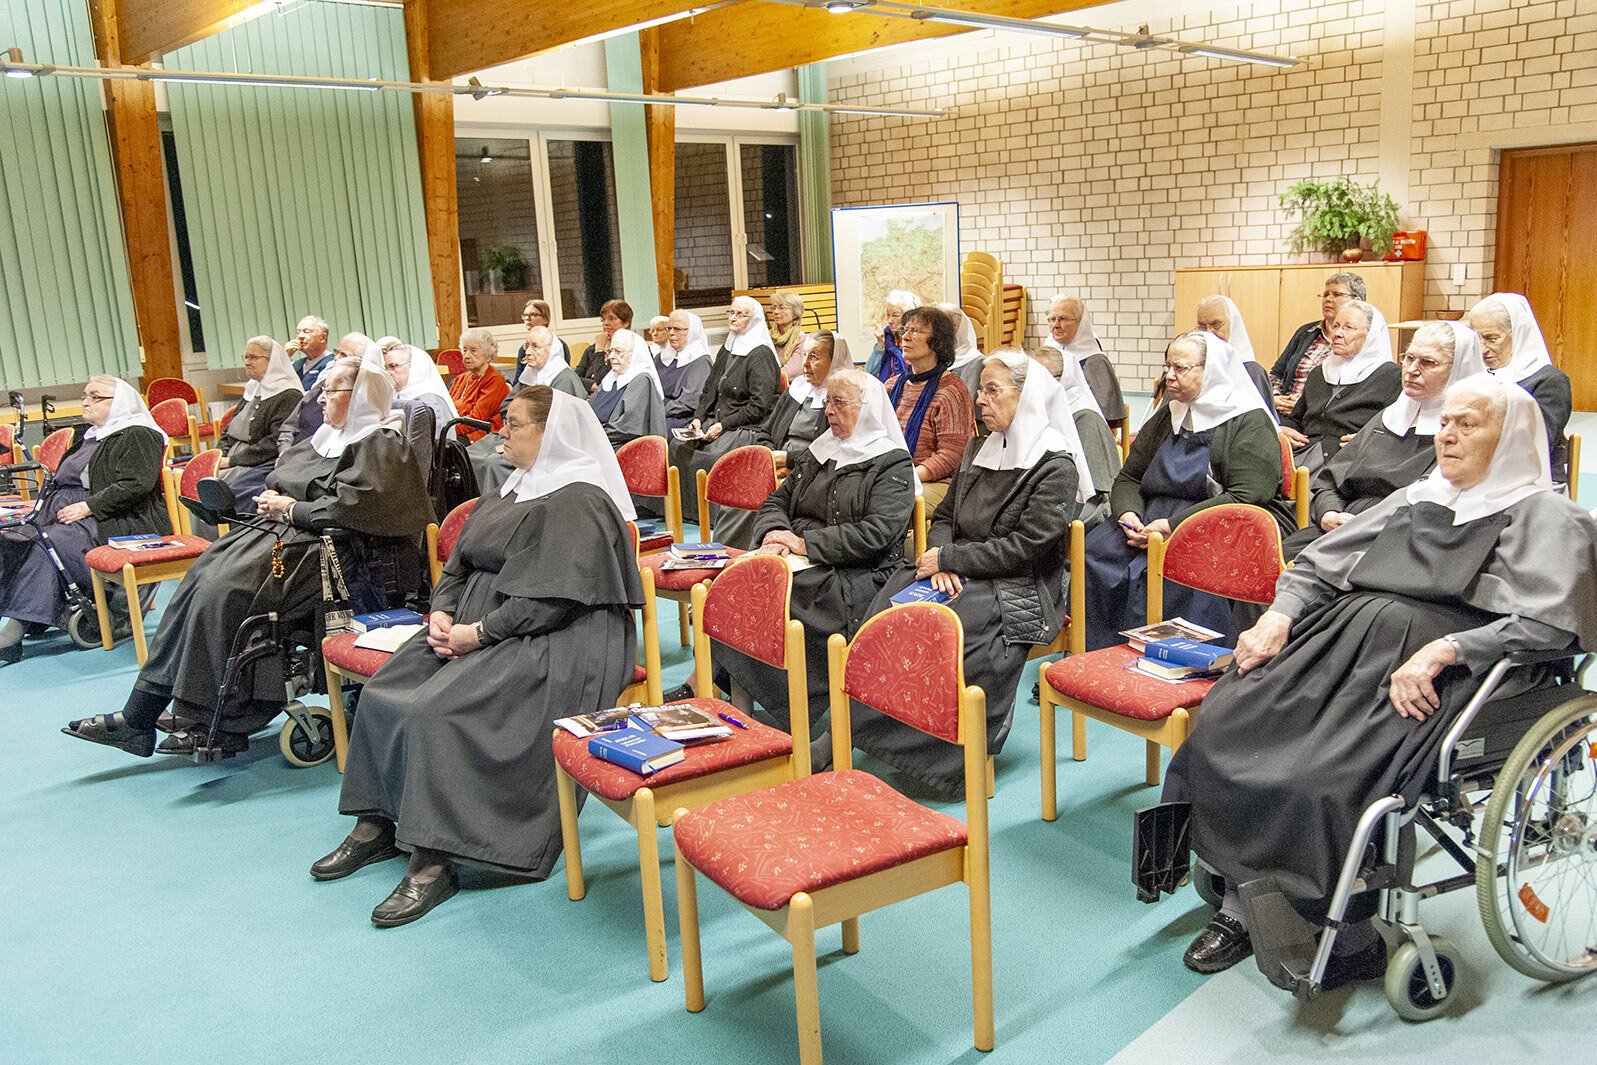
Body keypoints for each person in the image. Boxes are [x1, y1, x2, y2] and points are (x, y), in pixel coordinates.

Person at [1160, 374, 1597, 982]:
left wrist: (1449, 647)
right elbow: (1318, 564)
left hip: (1447, 670)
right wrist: (1278, 619)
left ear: (1512, 437)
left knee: (1323, 775)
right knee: (1226, 725)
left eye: (1467, 423)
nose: (1446, 433)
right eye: (1445, 420)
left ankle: (1348, 934)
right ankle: (1242, 899)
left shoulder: (1547, 515)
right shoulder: (1422, 494)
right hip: (1341, 645)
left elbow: (1552, 627)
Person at [314, 386, 643, 926]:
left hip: (560, 639)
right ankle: (377, 825)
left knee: (436, 711)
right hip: (478, 625)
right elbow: (459, 563)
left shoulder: (580, 497)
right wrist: (441, 614)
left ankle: (434, 860)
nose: (500, 434)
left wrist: (479, 633)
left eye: (512, 424)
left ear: (550, 432)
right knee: (382, 694)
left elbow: (553, 600)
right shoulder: (513, 487)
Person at [62, 359, 432, 759]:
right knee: (195, 585)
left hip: (336, 551)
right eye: (322, 390)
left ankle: (210, 718)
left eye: (331, 391)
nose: (320, 399)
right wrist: (276, 502)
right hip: (280, 537)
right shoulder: (328, 435)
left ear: (359, 396)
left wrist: (290, 508)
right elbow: (284, 477)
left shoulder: (380, 441)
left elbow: (356, 508)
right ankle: (144, 712)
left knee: (222, 594)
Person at [850, 352, 1085, 797]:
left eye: (992, 390)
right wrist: (941, 554)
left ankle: (939, 761)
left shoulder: (1055, 464)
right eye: (980, 389)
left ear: (1027, 396)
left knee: (952, 628)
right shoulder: (980, 448)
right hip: (959, 569)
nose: (980, 400)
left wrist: (952, 561)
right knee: (892, 601)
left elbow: (1025, 549)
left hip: (1020, 584)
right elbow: (945, 514)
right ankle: (863, 733)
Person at [714, 369, 916, 733]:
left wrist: (806, 545)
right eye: (827, 402)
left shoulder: (891, 462)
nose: (829, 411)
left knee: (773, 598)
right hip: (797, 556)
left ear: (867, 408)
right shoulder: (821, 450)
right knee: (733, 584)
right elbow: (777, 498)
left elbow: (878, 533)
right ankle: (739, 708)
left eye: (839, 403)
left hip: (857, 572)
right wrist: (776, 533)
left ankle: (781, 713)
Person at [1083, 331, 1292, 650]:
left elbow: (1245, 496)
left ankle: (1176, 670)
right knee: (1096, 552)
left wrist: (1172, 526)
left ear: (1211, 372)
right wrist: (1129, 516)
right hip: (1148, 520)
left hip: (1219, 521)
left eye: (1180, 368)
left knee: (1187, 576)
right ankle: (1101, 656)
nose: (1169, 376)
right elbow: (1129, 477)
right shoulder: (1169, 414)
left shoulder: (1247, 420)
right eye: (1167, 366)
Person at [0, 377, 168, 664]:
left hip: (115, 518)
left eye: (95, 397)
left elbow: (135, 484)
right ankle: (32, 617)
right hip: (65, 511)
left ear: (119, 403)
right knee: (14, 537)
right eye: (84, 396)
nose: (85, 402)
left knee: (46, 546)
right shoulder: (89, 434)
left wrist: (88, 506)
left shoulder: (138, 434)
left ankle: (13, 634)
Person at [1283, 321, 1485, 558]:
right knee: (1270, 562)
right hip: (1341, 528)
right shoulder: (1390, 418)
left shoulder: (1463, 435)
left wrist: (1361, 525)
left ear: (1459, 368)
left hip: (1399, 543)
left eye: (1428, 362)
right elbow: (1329, 481)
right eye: (1409, 358)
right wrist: (1329, 513)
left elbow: (1432, 507)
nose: (1411, 370)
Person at [713, 331, 846, 549]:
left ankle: (752, 561)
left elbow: (836, 448)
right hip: (776, 465)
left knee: (762, 497)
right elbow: (765, 432)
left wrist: (788, 461)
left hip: (815, 472)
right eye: (803, 355)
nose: (805, 363)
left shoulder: (840, 399)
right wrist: (768, 459)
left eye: (814, 356)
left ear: (833, 360)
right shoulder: (796, 390)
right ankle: (724, 557)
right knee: (740, 489)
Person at [1279, 299, 1402, 476]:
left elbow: (1395, 429)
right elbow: (1297, 419)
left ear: (1371, 335)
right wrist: (1282, 430)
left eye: (1348, 327)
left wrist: (1371, 439)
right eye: (1335, 326)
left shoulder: (1391, 376)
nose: (1337, 333)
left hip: (1347, 464)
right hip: (1302, 456)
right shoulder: (1320, 373)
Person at [668, 295, 781, 485]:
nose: (733, 318)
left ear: (752, 320)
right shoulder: (728, 347)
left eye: (740, 315)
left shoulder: (761, 355)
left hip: (745, 426)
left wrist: (724, 425)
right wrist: (698, 418)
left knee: (710, 458)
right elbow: (709, 389)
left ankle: (711, 514)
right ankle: (685, 514)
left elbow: (759, 406)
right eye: (731, 313)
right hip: (719, 420)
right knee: (677, 446)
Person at [1466, 292, 1572, 487]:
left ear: (1519, 335)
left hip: (1532, 483)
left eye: (1491, 338)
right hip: (1473, 477)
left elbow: (1536, 444)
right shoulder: (1473, 375)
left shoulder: (1549, 381)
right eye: (1476, 338)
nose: (1481, 348)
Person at [885, 305, 975, 511]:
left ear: (937, 342)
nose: (905, 337)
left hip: (935, 483)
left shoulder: (951, 391)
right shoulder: (891, 386)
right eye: (904, 330)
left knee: (888, 506)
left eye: (915, 331)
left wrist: (907, 476)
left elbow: (952, 455)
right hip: (893, 477)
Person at [1029, 345, 1120, 528]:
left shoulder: (1086, 419)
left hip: (1086, 510)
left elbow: (1096, 493)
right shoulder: (1036, 413)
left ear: (1065, 379)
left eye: (1043, 378)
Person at [215, 337, 304, 514]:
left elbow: (274, 441)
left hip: (258, 463)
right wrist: (219, 455)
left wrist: (232, 461)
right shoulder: (252, 389)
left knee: (214, 485)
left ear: (272, 361)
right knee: (197, 477)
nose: (247, 362)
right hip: (232, 459)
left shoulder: (288, 394)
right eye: (246, 357)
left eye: (253, 357)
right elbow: (228, 431)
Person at [1269, 271, 1365, 414]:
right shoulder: (1306, 332)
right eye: (1325, 295)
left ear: (1356, 301)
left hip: (1320, 415)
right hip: (1283, 411)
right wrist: (1276, 398)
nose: (1328, 299)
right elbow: (1276, 374)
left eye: (1337, 294)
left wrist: (1304, 407)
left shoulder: (1361, 339)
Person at [279, 331, 375, 453]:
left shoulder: (364, 397)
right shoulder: (321, 385)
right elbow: (290, 426)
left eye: (344, 355)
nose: (336, 358)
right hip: (294, 453)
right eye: (337, 352)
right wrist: (284, 451)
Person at [1041, 294, 1127, 426]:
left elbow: (1103, 416)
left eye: (1063, 319)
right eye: (1052, 319)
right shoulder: (1045, 356)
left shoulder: (1095, 362)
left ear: (1081, 323)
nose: (1056, 325)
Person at [589, 328, 666, 449]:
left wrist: (593, 435)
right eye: (610, 351)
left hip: (621, 447)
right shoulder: (611, 377)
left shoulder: (641, 380)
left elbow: (628, 427)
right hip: (598, 439)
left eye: (618, 351)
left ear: (634, 354)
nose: (611, 356)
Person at [1195, 295, 1276, 408]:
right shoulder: (1192, 369)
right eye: (1202, 326)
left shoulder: (1252, 372)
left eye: (1216, 324)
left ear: (1233, 324)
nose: (1209, 333)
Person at [382, 344, 459, 440]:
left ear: (414, 367)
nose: (388, 372)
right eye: (386, 368)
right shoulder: (397, 395)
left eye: (393, 366)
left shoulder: (430, 402)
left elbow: (432, 448)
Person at [655, 309, 713, 433]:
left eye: (677, 329)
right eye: (669, 328)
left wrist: (655, 411)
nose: (671, 333)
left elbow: (688, 403)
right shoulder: (661, 357)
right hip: (656, 412)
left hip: (680, 418)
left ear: (692, 331)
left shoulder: (700, 361)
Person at [447, 328, 508, 443]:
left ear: (488, 355)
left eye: (473, 351)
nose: (467, 356)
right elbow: (447, 410)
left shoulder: (494, 380)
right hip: (456, 431)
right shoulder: (460, 379)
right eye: (465, 350)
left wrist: (446, 430)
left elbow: (477, 420)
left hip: (481, 437)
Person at [941, 303, 987, 424]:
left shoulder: (976, 361)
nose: (946, 331)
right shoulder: (933, 358)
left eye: (952, 326)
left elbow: (970, 403)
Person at [577, 299, 632, 394]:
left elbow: (606, 381)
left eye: (611, 318)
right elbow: (575, 378)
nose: (605, 323)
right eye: (603, 319)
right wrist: (593, 386)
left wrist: (599, 351)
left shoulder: (630, 350)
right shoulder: (591, 349)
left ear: (625, 323)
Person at [864, 290, 919, 379]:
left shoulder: (918, 339)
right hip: (886, 388)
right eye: (888, 315)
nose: (890, 321)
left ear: (909, 316)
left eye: (895, 315)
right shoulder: (887, 336)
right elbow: (869, 372)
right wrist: (880, 344)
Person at [513, 300, 569, 381]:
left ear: (545, 319)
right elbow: (518, 380)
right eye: (525, 315)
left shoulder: (559, 345)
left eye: (533, 315)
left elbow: (564, 376)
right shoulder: (524, 349)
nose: (528, 318)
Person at [769, 290, 809, 379]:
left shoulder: (802, 340)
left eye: (781, 308)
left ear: (795, 313)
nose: (776, 312)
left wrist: (766, 378)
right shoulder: (767, 337)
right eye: (774, 308)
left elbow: (792, 372)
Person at [287, 315, 332, 390]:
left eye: (307, 332)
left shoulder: (332, 363)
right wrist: (285, 356)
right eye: (298, 332)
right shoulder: (294, 364)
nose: (300, 336)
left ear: (322, 338)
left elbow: (313, 396)